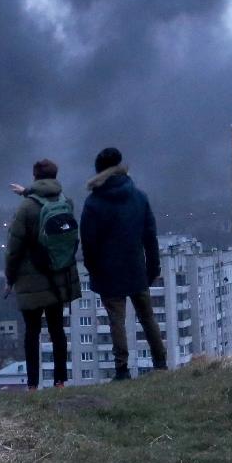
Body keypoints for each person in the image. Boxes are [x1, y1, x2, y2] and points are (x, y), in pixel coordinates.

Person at [80, 146, 168, 379]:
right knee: (148, 317)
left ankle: (122, 369)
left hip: (108, 273)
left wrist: (93, 269)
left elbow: (88, 243)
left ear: (99, 171)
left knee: (116, 321)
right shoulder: (139, 197)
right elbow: (150, 236)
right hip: (136, 268)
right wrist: (153, 267)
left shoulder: (93, 203)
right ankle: (161, 363)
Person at [3, 158, 81, 389]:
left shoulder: (25, 208)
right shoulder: (66, 201)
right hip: (58, 275)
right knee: (57, 330)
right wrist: (26, 192)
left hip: (31, 278)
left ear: (35, 177)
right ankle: (60, 382)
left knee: (32, 333)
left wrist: (9, 279)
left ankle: (33, 385)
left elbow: (14, 249)